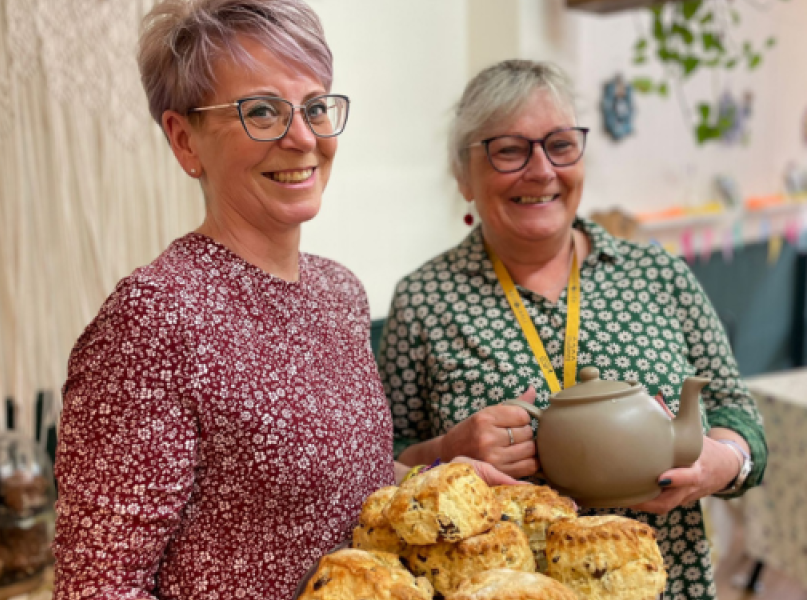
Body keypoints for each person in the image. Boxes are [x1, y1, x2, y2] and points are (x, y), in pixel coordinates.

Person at [51, 2, 513, 599]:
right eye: (262, 111)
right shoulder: (154, 317)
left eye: (315, 107)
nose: (303, 137)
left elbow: (336, 493)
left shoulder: (337, 291)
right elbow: (98, 587)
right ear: (183, 138)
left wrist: (429, 479)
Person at [379, 59, 767, 600]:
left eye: (560, 145)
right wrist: (447, 450)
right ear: (463, 175)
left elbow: (737, 415)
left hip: (661, 583)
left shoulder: (657, 275)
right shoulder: (424, 300)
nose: (541, 171)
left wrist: (719, 463)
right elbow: (383, 461)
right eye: (509, 149)